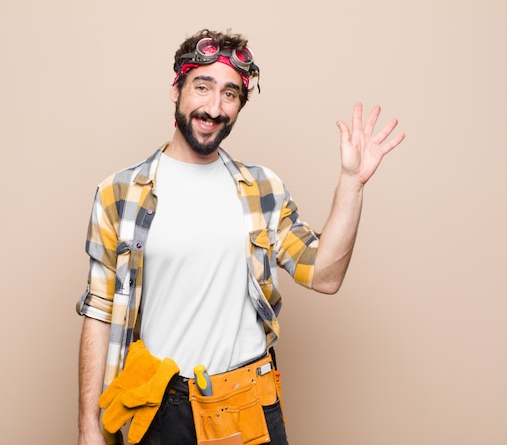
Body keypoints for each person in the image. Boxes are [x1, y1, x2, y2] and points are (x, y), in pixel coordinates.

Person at [76, 28, 405, 445]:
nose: (214, 107)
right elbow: (100, 312)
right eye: (202, 86)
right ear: (176, 89)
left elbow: (325, 275)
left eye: (230, 94)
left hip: (247, 400)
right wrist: (89, 428)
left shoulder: (263, 190)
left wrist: (352, 183)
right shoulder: (118, 194)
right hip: (158, 407)